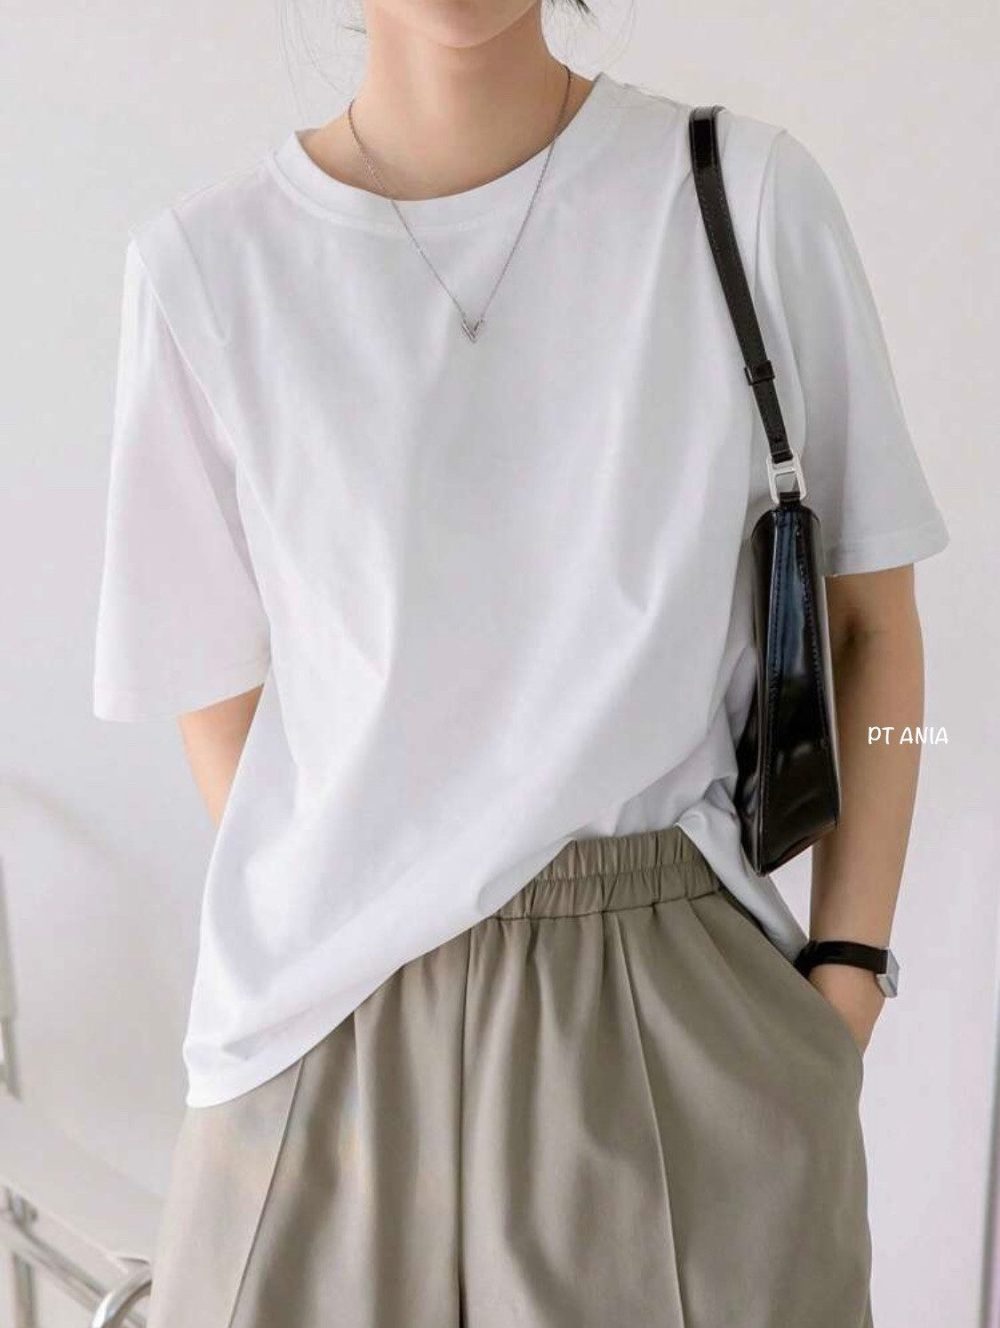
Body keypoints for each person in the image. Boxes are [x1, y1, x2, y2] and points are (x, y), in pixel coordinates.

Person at [91, 2, 950, 1324]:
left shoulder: (742, 198)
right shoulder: (208, 268)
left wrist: (847, 981)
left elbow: (872, 627)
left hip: (668, 999)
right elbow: (217, 697)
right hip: (318, 1039)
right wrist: (363, 880)